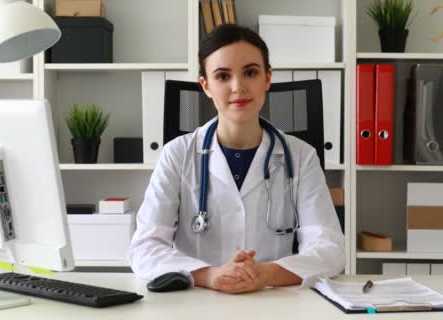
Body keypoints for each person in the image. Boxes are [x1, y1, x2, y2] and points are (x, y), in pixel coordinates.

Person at [128, 24, 345, 294]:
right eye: (222, 76)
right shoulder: (177, 155)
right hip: (196, 303)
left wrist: (264, 273)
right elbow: (145, 248)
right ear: (205, 86)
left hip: (274, 302)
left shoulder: (301, 157)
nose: (238, 87)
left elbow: (330, 248)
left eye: (250, 73)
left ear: (267, 78)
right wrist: (211, 275)